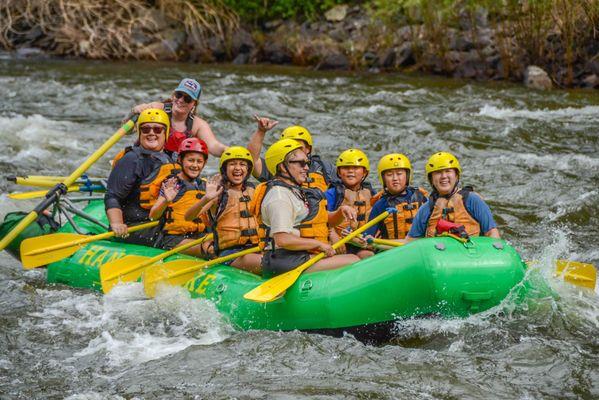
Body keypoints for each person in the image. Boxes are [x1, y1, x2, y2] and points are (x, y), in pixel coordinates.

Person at [250, 139, 359, 277]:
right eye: (301, 163)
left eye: (307, 163)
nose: (307, 168)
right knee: (353, 260)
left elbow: (324, 222)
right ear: (283, 166)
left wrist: (341, 212)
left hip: (296, 257)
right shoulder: (279, 197)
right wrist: (318, 245)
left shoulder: (295, 191)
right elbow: (283, 239)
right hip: (284, 261)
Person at [105, 108, 178, 245]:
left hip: (162, 224)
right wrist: (117, 223)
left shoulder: (172, 160)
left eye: (157, 129)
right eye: (145, 129)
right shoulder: (132, 159)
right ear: (139, 133)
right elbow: (112, 196)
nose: (151, 133)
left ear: (166, 133)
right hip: (136, 227)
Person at [186, 147, 262, 273]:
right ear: (224, 169)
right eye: (232, 164)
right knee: (271, 263)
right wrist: (206, 198)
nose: (237, 168)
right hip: (231, 254)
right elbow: (189, 217)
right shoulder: (218, 193)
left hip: (256, 248)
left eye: (242, 164)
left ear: (248, 169)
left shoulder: (255, 190)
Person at [406, 151, 500, 240]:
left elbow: (491, 232)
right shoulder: (426, 209)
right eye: (438, 172)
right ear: (431, 179)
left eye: (448, 171)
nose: (443, 176)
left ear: (456, 176)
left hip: (471, 254)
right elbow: (411, 241)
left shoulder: (472, 200)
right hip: (438, 255)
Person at [131, 78, 227, 157]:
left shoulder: (198, 125)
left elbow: (213, 147)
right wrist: (134, 111)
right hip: (144, 159)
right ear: (173, 95)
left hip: (172, 171)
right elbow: (129, 130)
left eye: (187, 98)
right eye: (179, 95)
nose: (181, 100)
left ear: (194, 104)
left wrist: (228, 151)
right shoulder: (156, 109)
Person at [148, 138, 210, 257]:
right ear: (180, 159)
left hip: (198, 236)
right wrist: (166, 201)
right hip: (173, 240)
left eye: (199, 161)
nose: (195, 165)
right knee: (212, 248)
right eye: (191, 160)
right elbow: (153, 216)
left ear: (204, 163)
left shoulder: (205, 185)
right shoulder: (172, 183)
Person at [249, 125, 340, 192]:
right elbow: (251, 161)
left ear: (308, 149)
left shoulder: (325, 168)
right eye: (289, 146)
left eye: (298, 146)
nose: (293, 149)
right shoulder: (277, 167)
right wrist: (261, 131)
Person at [364, 153, 428, 243]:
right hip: (392, 250)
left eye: (399, 174)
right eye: (389, 175)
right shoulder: (381, 205)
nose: (395, 178)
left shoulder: (421, 198)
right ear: (383, 178)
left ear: (407, 175)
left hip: (419, 247)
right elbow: (367, 235)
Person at [325, 149, 376, 259]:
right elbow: (322, 216)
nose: (350, 171)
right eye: (346, 168)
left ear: (365, 172)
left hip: (361, 241)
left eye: (356, 168)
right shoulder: (332, 193)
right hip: (339, 243)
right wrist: (333, 236)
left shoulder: (371, 193)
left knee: (368, 255)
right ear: (338, 172)